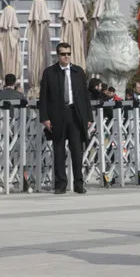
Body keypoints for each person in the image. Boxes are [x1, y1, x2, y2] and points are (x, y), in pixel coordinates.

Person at [39, 42, 93, 194]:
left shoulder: (78, 72)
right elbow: (43, 97)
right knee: (59, 151)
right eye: (63, 54)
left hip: (75, 115)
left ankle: (78, 183)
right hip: (57, 116)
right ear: (58, 55)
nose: (66, 56)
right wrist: (45, 117)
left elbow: (84, 96)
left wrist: (89, 117)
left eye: (69, 53)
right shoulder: (49, 73)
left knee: (77, 151)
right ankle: (60, 184)